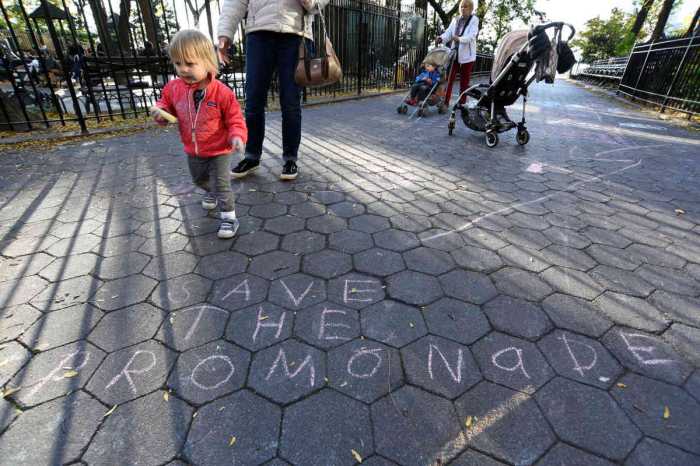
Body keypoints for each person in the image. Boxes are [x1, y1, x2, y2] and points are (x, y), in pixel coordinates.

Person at [217, 0, 329, 180]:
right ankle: (251, 156)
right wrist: (225, 33)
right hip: (259, 31)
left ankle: (290, 159)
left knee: (291, 102)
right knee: (253, 100)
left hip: (295, 33)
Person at [152, 29, 247, 239]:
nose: (183, 69)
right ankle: (212, 192)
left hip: (220, 149)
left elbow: (235, 118)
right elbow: (165, 105)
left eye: (190, 63)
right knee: (199, 181)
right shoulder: (174, 88)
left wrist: (237, 135)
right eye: (178, 63)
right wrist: (160, 114)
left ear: (207, 62)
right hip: (193, 149)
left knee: (222, 185)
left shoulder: (222, 92)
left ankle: (229, 217)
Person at [436, 0, 479, 106]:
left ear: (471, 9)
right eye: (461, 7)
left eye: (466, 7)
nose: (463, 9)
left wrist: (459, 39)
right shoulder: (456, 19)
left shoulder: (474, 20)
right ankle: (445, 102)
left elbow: (471, 36)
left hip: (467, 56)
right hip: (454, 53)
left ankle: (462, 103)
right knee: (449, 78)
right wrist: (441, 38)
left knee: (464, 81)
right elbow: (448, 33)